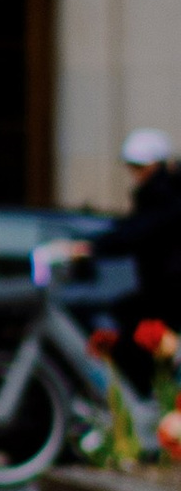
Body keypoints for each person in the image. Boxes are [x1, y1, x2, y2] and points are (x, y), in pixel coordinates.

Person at [83, 127, 181, 348]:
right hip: (161, 288)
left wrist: (92, 247)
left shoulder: (164, 194)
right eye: (133, 167)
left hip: (167, 292)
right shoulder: (158, 194)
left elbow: (138, 232)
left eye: (140, 167)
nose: (136, 174)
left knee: (131, 332)